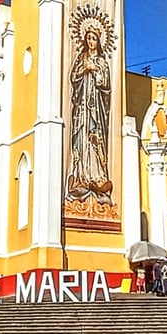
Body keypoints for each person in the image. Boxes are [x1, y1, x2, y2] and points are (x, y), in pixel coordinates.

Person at [66, 24, 113, 205]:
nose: (91, 41)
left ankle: (98, 177)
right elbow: (73, 78)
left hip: (96, 109)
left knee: (95, 140)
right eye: (88, 38)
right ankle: (81, 178)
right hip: (82, 108)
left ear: (99, 41)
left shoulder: (102, 62)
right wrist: (83, 69)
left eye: (94, 39)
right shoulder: (81, 58)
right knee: (81, 140)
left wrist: (95, 70)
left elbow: (106, 85)